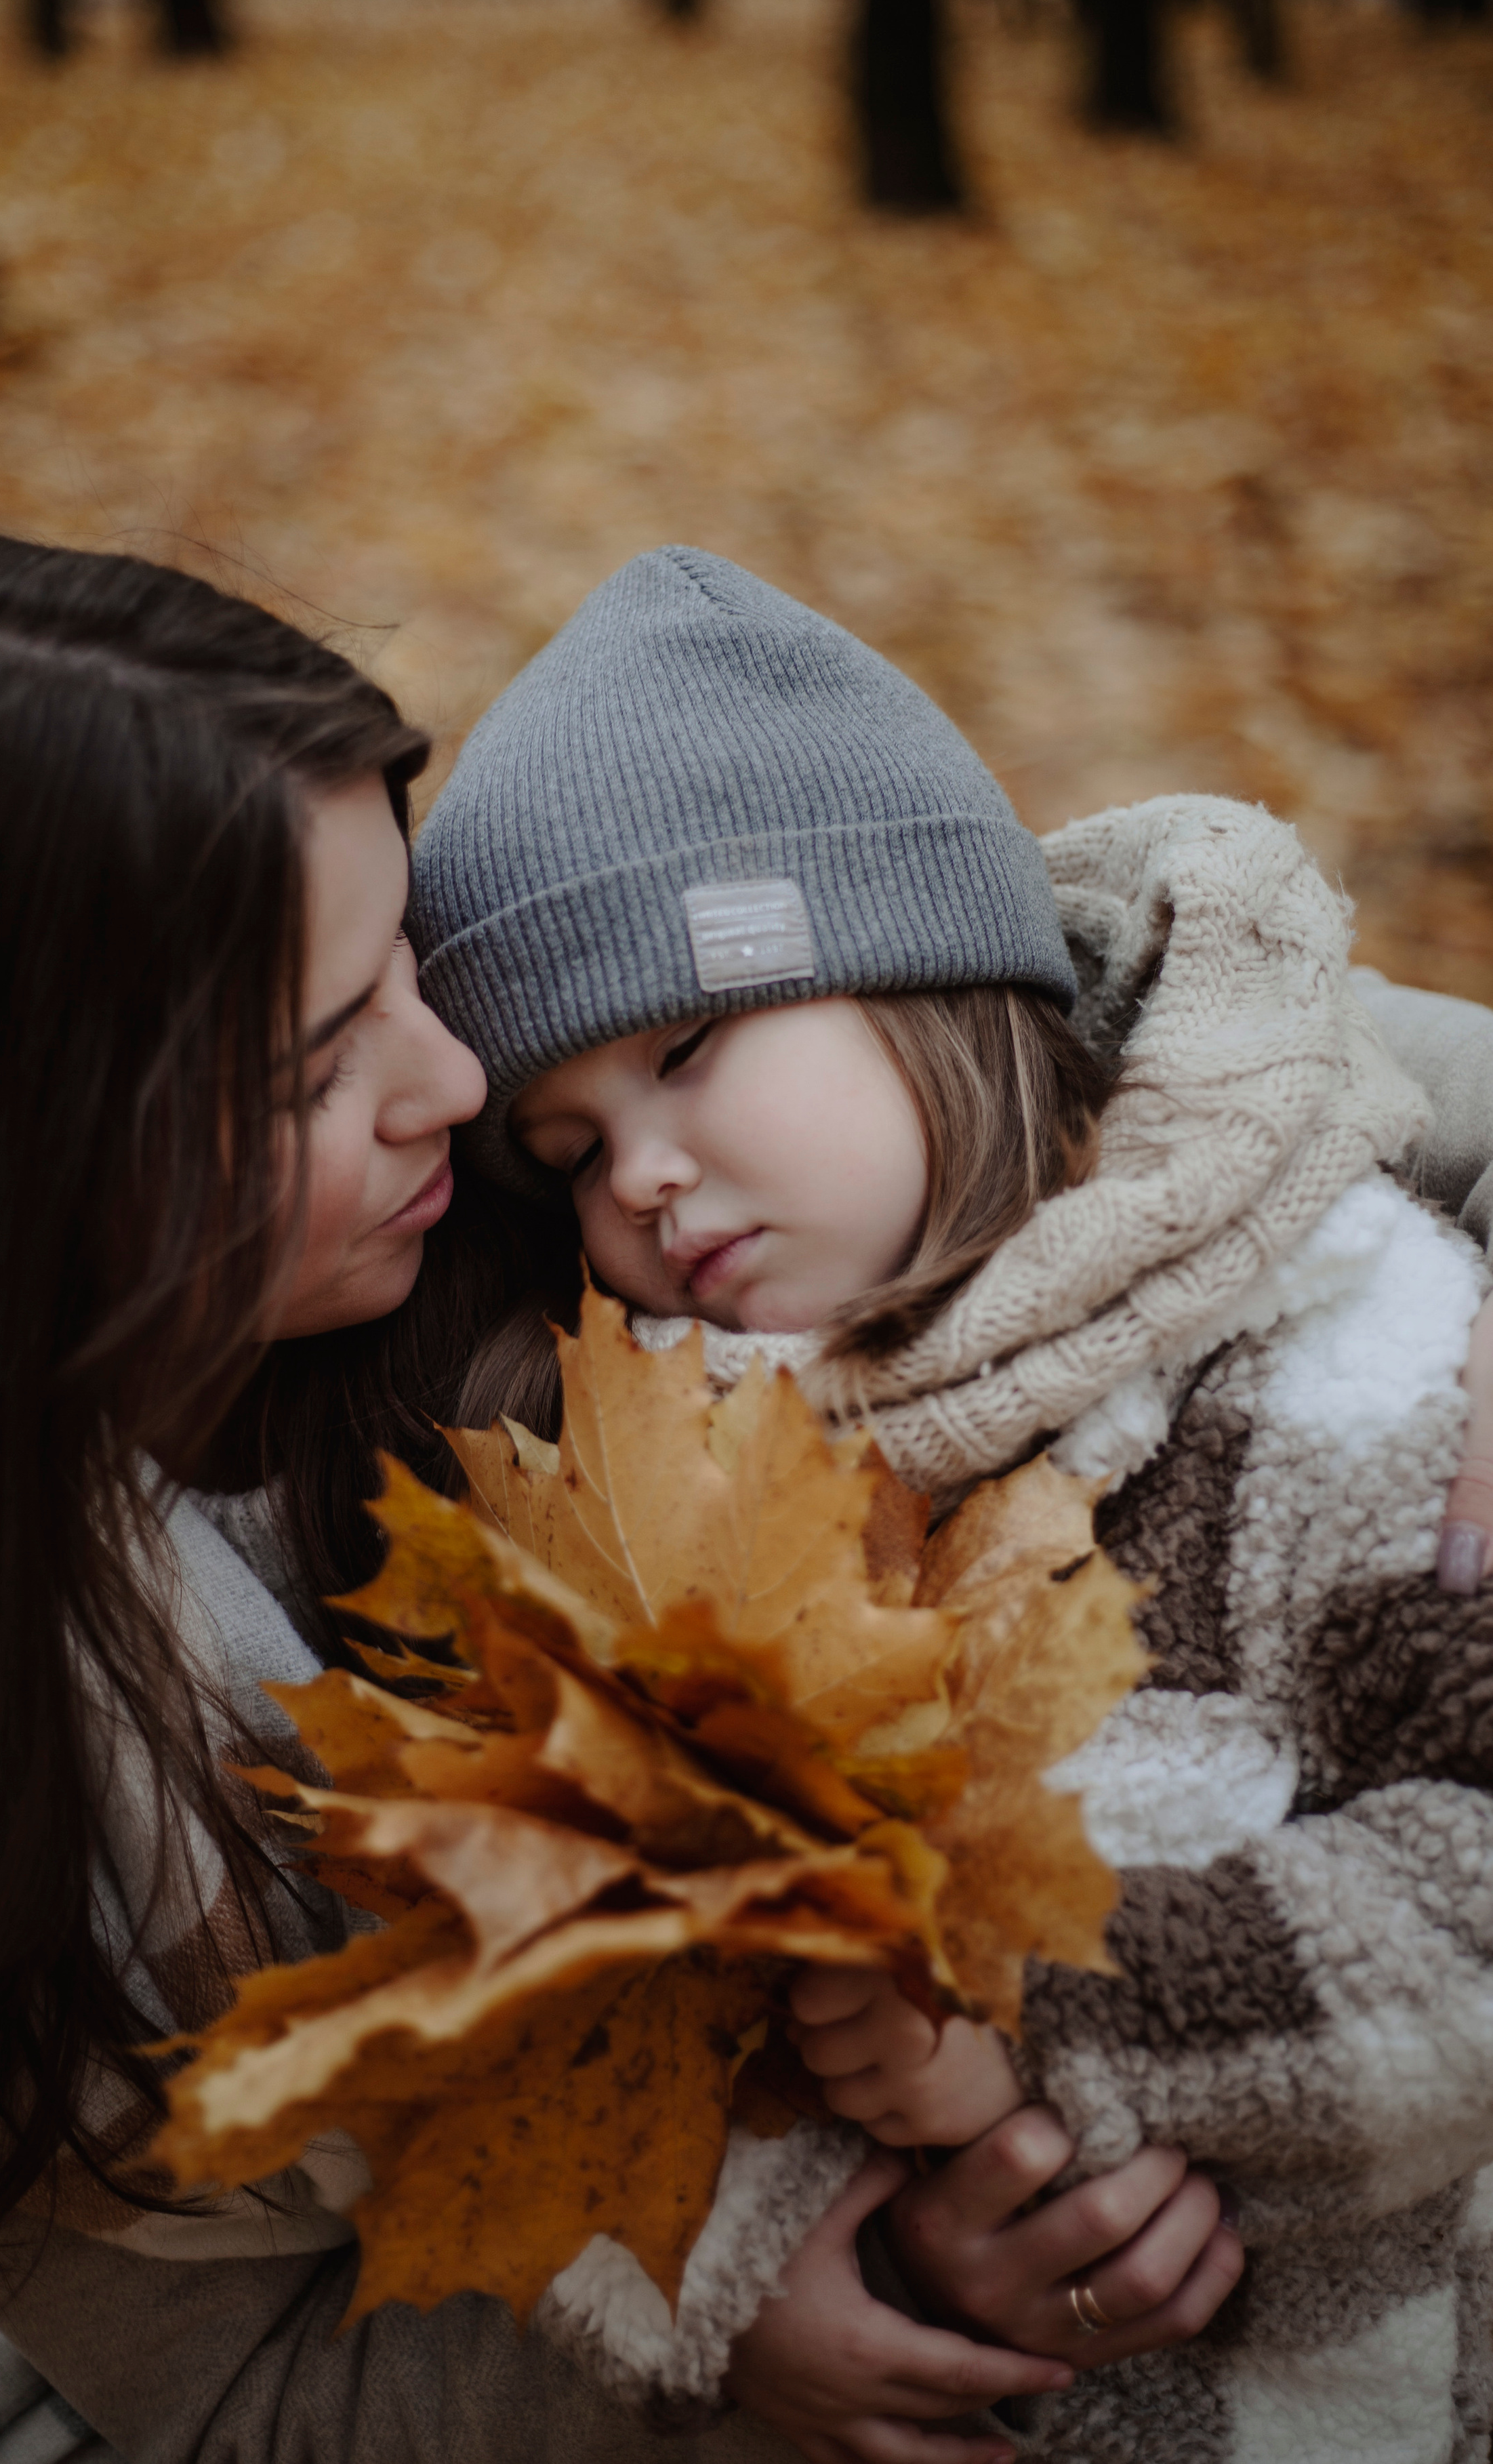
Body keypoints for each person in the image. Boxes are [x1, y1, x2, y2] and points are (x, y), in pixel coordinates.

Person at [0, 527, 1254, 2464]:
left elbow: (1046, 989)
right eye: (318, 1059)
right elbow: (239, 2390)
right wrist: (730, 2318)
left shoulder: (515, 1208)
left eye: (407, 964)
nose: (462, 1076)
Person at [405, 543, 1493, 2462]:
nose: (641, 1182)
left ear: (921, 971)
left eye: (686, 1052)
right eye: (573, 1150)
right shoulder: (658, 1518)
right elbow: (566, 2022)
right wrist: (760, 2278)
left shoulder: (1339, 1349)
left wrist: (1057, 2018)